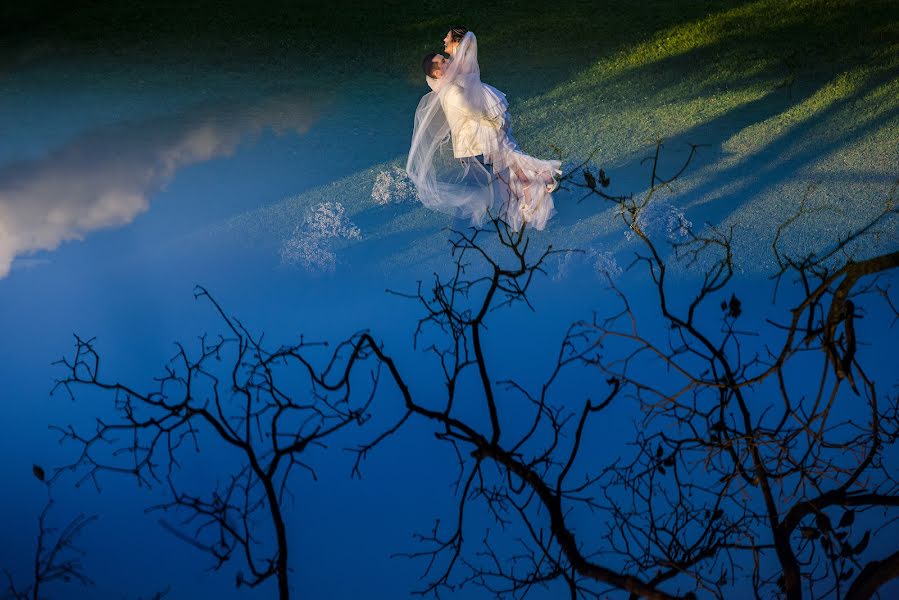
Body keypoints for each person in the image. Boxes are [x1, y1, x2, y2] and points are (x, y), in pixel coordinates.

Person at [407, 28, 560, 231]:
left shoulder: (450, 80)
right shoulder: (450, 88)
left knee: (501, 174)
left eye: (445, 55)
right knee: (495, 177)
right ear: (437, 72)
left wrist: (457, 50)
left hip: (477, 141)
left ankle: (531, 193)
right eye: (442, 61)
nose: (446, 59)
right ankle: (534, 187)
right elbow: (470, 111)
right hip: (475, 142)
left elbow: (465, 81)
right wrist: (496, 123)